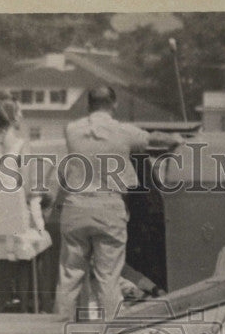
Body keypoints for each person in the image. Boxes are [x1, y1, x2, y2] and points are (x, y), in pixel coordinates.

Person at [54, 86, 182, 322]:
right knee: (108, 277)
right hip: (108, 210)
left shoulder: (71, 130)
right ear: (114, 105)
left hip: (75, 208)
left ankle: (61, 330)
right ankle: (111, 331)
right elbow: (156, 139)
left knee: (70, 274)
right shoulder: (124, 132)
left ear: (88, 105)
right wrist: (177, 139)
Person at [0, 95, 51, 311]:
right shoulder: (21, 146)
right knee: (44, 238)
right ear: (11, 116)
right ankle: (34, 304)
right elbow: (30, 192)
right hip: (16, 229)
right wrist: (40, 224)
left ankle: (0, 301)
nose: (22, 115)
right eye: (19, 111)